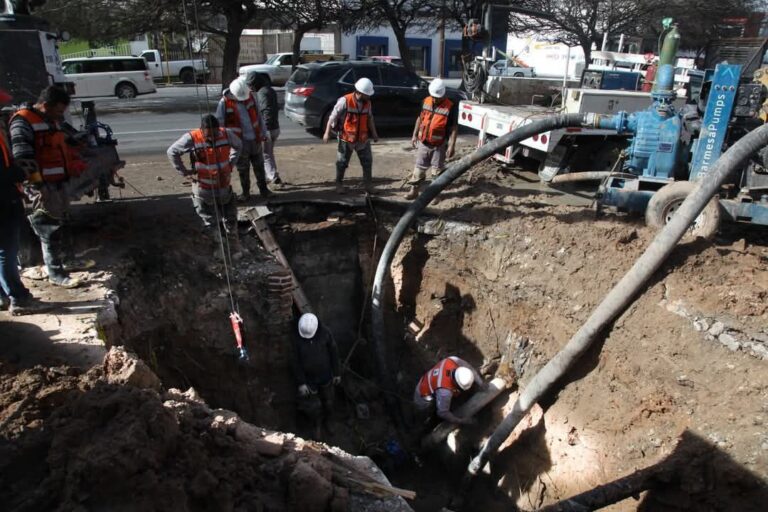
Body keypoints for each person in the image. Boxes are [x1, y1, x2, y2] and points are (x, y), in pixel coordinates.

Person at [10, 86, 85, 288]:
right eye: (59, 111)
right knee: (48, 227)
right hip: (42, 185)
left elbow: (65, 141)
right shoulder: (23, 122)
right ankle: (55, 273)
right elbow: (23, 158)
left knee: (63, 221)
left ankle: (68, 260)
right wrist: (37, 185)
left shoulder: (50, 119)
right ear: (45, 105)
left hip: (59, 183)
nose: (60, 115)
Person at [167, 115, 242, 257]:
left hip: (223, 186)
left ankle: (234, 247)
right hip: (204, 188)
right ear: (202, 130)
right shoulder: (192, 138)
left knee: (230, 218)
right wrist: (184, 173)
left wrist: (231, 163)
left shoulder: (226, 134)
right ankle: (218, 248)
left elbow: (238, 146)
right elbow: (172, 152)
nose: (212, 139)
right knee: (210, 221)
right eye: (209, 136)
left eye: (215, 135)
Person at [0, 89, 43, 315]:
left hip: (6, 195)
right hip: (3, 203)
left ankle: (2, 296)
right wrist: (19, 175)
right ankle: (18, 297)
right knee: (6, 251)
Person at [216, 77, 271, 201]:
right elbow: (220, 124)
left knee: (259, 166)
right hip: (239, 143)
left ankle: (264, 190)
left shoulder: (250, 97)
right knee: (243, 169)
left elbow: (258, 116)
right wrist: (226, 142)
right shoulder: (224, 102)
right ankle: (246, 193)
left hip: (255, 140)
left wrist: (263, 133)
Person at [323, 77, 380, 194]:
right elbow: (332, 117)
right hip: (346, 138)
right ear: (360, 92)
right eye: (367, 94)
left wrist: (374, 133)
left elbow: (370, 118)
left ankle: (368, 186)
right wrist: (327, 133)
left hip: (362, 139)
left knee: (367, 162)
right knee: (342, 163)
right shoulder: (345, 101)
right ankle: (339, 184)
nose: (369, 96)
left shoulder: (367, 103)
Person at [405, 78, 458, 200]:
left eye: (437, 97)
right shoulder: (426, 101)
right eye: (433, 96)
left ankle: (435, 195)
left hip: (439, 145)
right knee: (418, 169)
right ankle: (414, 191)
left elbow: (454, 128)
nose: (435, 99)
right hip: (424, 142)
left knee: (437, 173)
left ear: (443, 94)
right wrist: (414, 135)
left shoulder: (450, 106)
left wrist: (451, 145)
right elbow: (420, 118)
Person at [293, 312, 341, 437]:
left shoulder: (325, 333)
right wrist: (301, 382)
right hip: (309, 380)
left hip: (325, 375)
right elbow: (295, 361)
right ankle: (316, 424)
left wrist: (336, 373)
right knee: (313, 406)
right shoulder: (297, 339)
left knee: (329, 401)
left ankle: (329, 421)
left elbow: (334, 353)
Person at [413, 356, 485, 425]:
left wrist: (481, 383)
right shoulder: (445, 393)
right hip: (422, 395)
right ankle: (426, 422)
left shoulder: (452, 360)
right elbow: (442, 413)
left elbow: (469, 368)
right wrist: (461, 421)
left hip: (427, 380)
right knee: (426, 411)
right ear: (456, 383)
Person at [246, 72, 282, 187]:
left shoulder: (262, 93)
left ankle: (273, 177)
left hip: (269, 129)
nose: (251, 88)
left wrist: (264, 131)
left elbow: (266, 112)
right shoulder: (270, 90)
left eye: (251, 85)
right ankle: (272, 174)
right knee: (269, 153)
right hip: (275, 128)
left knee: (265, 155)